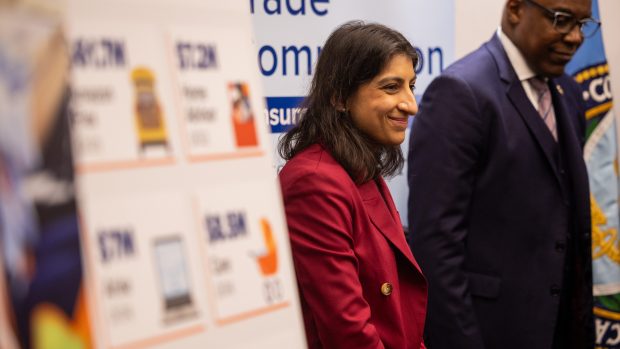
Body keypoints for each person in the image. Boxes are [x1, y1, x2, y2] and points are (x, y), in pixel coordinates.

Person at [407, 0, 599, 348]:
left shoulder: (569, 94)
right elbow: (436, 248)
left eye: (583, 25)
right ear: (514, 10)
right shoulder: (461, 93)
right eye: (561, 20)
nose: (574, 37)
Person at [278, 21, 427, 349]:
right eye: (391, 88)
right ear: (339, 97)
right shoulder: (314, 183)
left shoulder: (358, 168)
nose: (411, 104)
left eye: (411, 86)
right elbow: (349, 333)